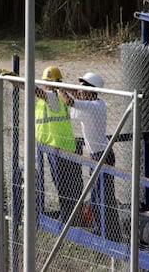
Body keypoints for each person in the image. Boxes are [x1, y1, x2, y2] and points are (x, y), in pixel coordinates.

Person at [58, 72, 122, 241]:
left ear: (92, 91)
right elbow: (75, 103)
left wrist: (60, 88)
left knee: (102, 194)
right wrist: (71, 89)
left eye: (83, 89)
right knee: (96, 194)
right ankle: (100, 228)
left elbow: (70, 101)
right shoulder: (88, 105)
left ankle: (106, 232)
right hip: (96, 155)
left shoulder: (95, 106)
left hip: (103, 155)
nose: (80, 92)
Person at [35, 66, 83, 224]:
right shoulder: (54, 96)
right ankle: (71, 215)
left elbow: (35, 91)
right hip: (58, 146)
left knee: (63, 185)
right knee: (66, 185)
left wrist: (16, 81)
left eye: (46, 83)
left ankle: (68, 217)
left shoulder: (53, 97)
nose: (44, 86)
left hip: (59, 147)